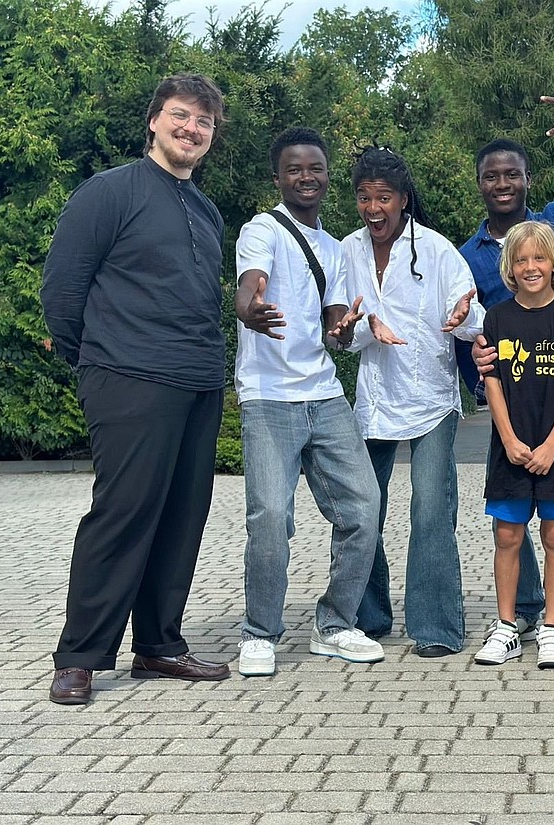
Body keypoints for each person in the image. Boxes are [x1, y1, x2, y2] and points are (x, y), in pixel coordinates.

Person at [40, 74, 230, 705]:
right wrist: (98, 362)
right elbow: (63, 290)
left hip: (198, 381)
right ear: (154, 120)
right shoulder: (109, 191)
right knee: (122, 514)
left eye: (203, 122)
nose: (191, 129)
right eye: (180, 115)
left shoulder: (205, 209)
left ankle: (158, 645)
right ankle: (80, 657)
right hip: (128, 377)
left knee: (181, 518)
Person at [233, 127, 384, 677]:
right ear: (277, 177)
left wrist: (343, 330)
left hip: (324, 394)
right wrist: (249, 309)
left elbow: (333, 325)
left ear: (327, 176)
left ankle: (335, 625)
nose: (306, 177)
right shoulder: (262, 230)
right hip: (269, 397)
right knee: (271, 517)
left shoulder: (334, 249)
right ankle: (259, 633)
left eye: (315, 168)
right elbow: (249, 287)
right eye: (294, 169)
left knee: (364, 507)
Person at [461, 94, 554, 644]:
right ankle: (518, 615)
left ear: (527, 179)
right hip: (509, 403)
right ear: (480, 183)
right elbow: (465, 327)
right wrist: (479, 369)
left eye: (513, 174)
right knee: (510, 527)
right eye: (492, 176)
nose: (502, 183)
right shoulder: (467, 254)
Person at [342, 146, 485, 658]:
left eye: (383, 197)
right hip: (375, 400)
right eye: (364, 197)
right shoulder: (348, 250)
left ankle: (437, 626)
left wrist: (464, 316)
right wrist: (358, 327)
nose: (373, 208)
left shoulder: (438, 250)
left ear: (403, 199)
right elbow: (342, 330)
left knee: (430, 509)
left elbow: (472, 319)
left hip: (431, 401)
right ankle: (368, 617)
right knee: (363, 508)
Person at [474, 222, 554, 669]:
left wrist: (553, 445)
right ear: (510, 267)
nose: (530, 267)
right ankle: (507, 627)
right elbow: (493, 382)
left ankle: (552, 628)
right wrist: (508, 438)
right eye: (521, 260)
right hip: (511, 449)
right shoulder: (498, 318)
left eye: (539, 258)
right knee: (507, 535)